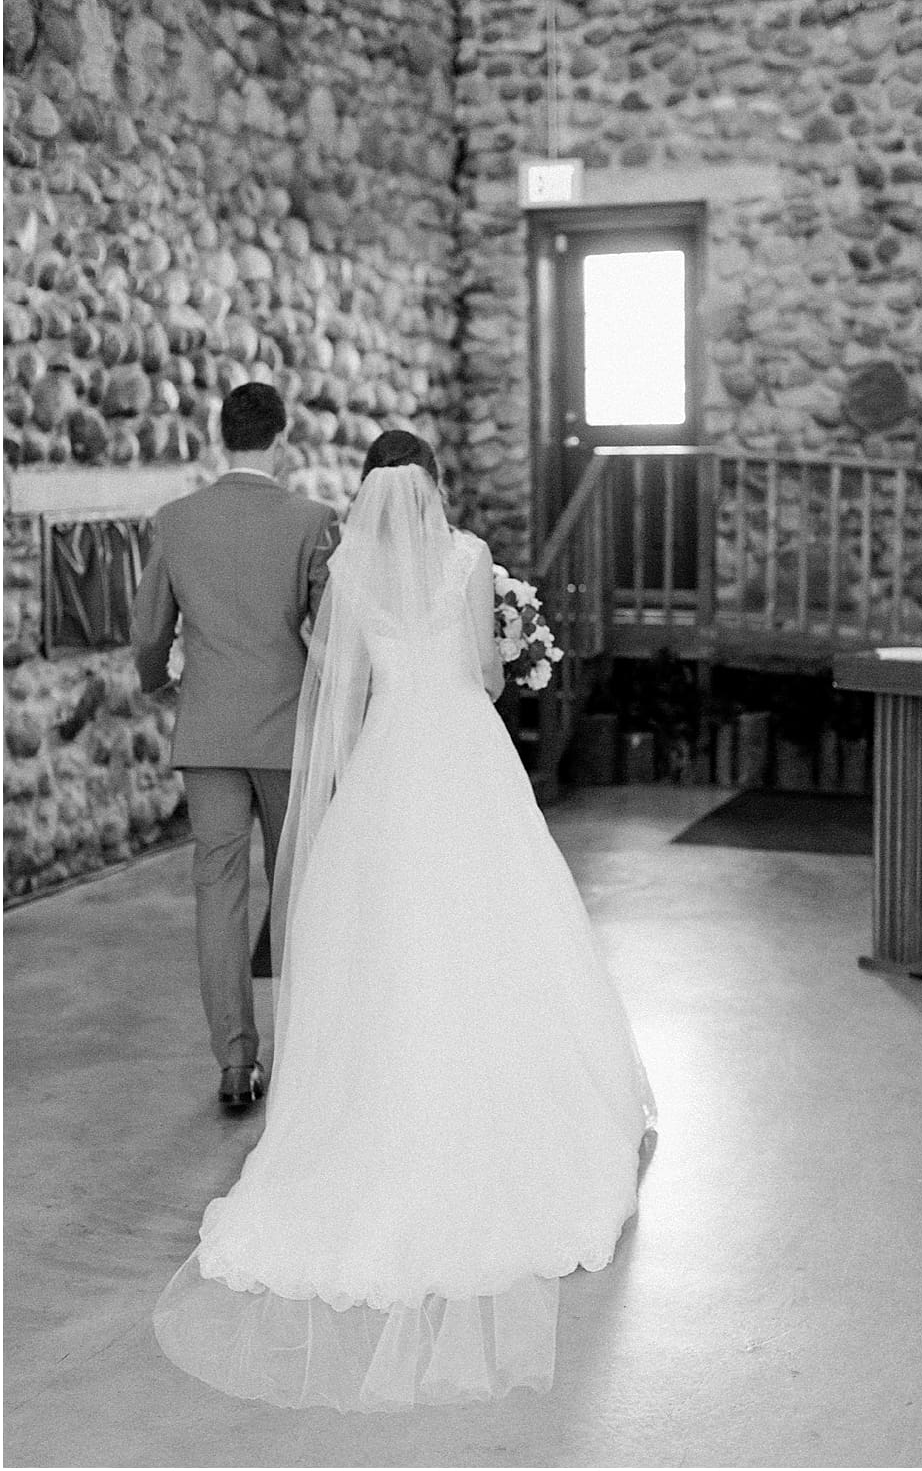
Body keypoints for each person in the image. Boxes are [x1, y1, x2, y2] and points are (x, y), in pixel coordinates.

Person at [152, 438, 656, 1410]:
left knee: (384, 942)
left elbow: (339, 677)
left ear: (368, 491)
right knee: (500, 923)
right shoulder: (467, 556)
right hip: (463, 754)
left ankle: (382, 1104)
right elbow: (482, 675)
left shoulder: (347, 566)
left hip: (387, 760)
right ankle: (503, 1089)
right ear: (431, 485)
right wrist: (508, 642)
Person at [132, 383, 338, 1108]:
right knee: (298, 893)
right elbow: (334, 632)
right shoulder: (312, 520)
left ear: (223, 437)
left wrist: (160, 682)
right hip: (289, 734)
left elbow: (150, 631)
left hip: (210, 730)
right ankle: (306, 1055)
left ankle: (233, 1062)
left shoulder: (177, 520)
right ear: (281, 439)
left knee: (217, 892)